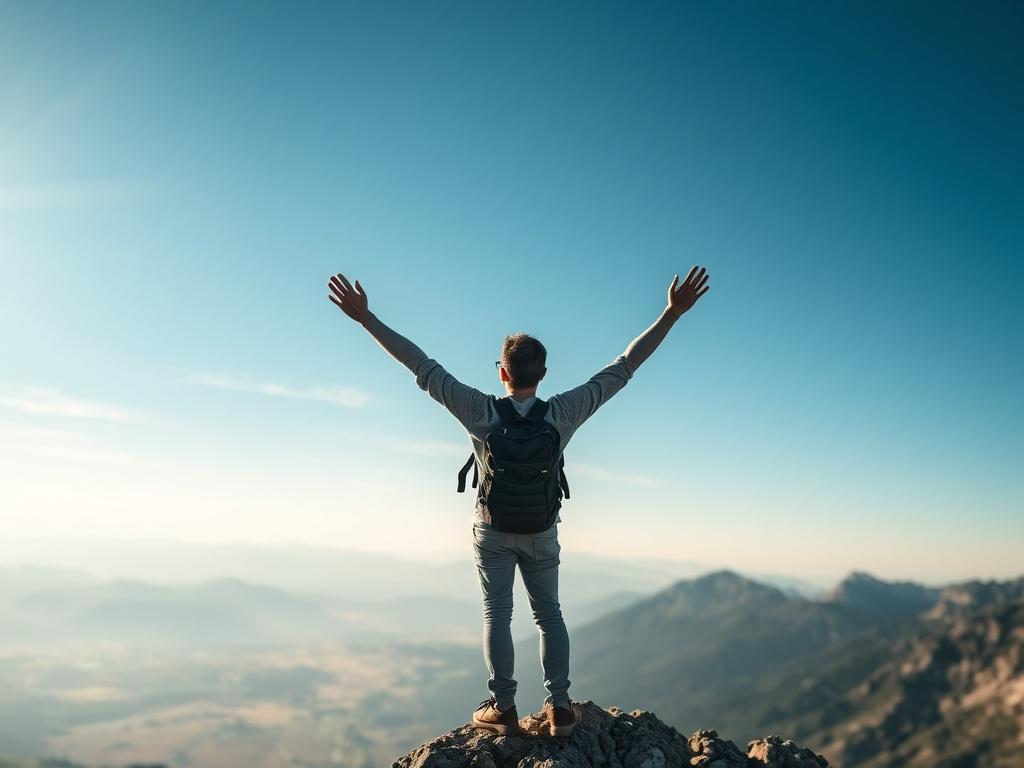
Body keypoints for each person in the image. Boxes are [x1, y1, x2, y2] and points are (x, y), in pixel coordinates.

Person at [327, 267, 710, 737]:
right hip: (542, 530)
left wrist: (367, 319)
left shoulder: (479, 411)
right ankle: (561, 708)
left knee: (497, 614)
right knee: (549, 614)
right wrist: (671, 313)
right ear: (543, 373)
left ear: (503, 372)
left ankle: (504, 708)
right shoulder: (565, 412)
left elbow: (421, 365)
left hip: (492, 529)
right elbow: (625, 366)